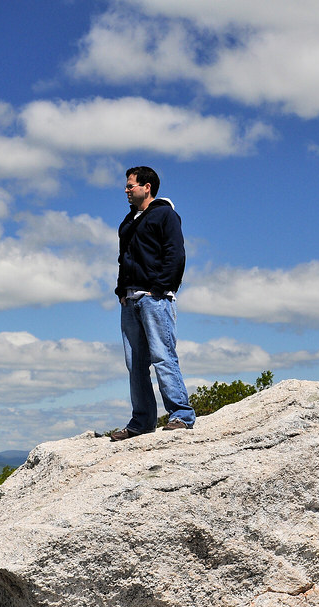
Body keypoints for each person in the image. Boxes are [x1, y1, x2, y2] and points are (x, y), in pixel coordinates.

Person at [109, 166, 196, 441]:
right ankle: (142, 422)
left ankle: (181, 414)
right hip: (131, 300)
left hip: (154, 299)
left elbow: (175, 254)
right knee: (135, 363)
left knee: (162, 356)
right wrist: (121, 290)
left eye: (130, 185)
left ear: (147, 187)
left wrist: (158, 289)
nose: (126, 190)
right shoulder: (129, 220)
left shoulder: (165, 214)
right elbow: (125, 258)